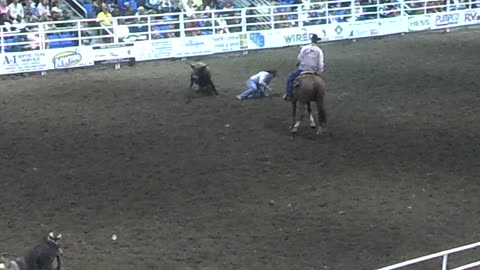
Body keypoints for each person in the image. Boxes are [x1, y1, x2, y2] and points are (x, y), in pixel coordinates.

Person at [283, 33, 325, 101]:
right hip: (313, 70)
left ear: (311, 40)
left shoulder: (305, 48)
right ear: (317, 41)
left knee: (290, 78)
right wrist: (319, 71)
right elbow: (320, 63)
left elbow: (299, 58)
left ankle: (289, 94)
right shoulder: (319, 50)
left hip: (302, 68)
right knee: (321, 82)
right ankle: (320, 95)